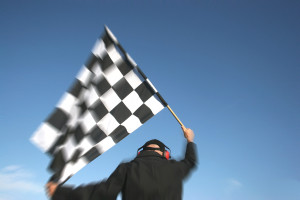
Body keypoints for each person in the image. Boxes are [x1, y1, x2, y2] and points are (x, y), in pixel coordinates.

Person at [46, 126, 197, 200]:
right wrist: (189, 139)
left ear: (141, 152)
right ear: (166, 154)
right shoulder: (176, 168)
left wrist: (60, 192)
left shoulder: (128, 167)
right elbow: (191, 161)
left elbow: (101, 192)